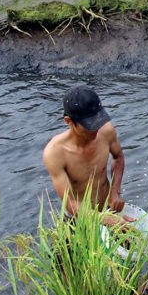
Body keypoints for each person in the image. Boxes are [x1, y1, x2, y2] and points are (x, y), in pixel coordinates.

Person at [43, 85, 133, 228]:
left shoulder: (106, 131)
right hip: (79, 219)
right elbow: (70, 202)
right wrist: (107, 220)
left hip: (108, 210)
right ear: (69, 121)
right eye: (89, 125)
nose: (96, 129)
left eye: (98, 120)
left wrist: (115, 192)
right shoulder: (55, 153)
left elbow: (118, 157)